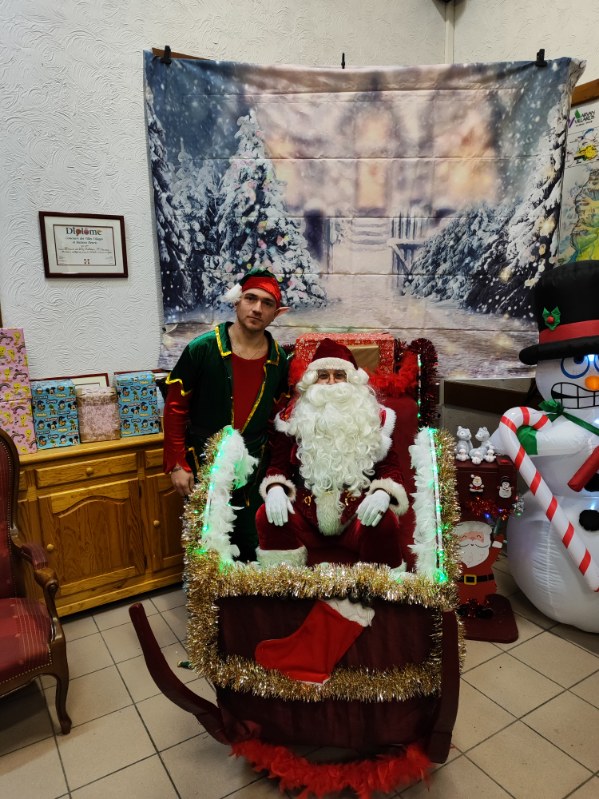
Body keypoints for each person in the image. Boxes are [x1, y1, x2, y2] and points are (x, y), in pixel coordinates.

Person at [162, 267, 289, 561]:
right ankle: (208, 607)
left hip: (254, 468)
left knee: (251, 541)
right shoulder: (202, 349)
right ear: (237, 301)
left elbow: (277, 416)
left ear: (276, 314)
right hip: (204, 463)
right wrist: (177, 464)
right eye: (251, 298)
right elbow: (175, 409)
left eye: (267, 303)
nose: (257, 308)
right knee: (206, 544)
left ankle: (247, 606)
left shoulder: (279, 359)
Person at [255, 338, 410, 569]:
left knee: (384, 521)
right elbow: (278, 466)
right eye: (323, 375)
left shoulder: (374, 419)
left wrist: (383, 493)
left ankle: (382, 589)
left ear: (352, 381)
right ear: (311, 381)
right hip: (307, 516)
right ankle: (283, 585)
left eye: (339, 375)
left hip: (356, 514)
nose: (331, 383)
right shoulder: (292, 419)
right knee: (266, 515)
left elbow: (390, 468)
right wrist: (275, 488)